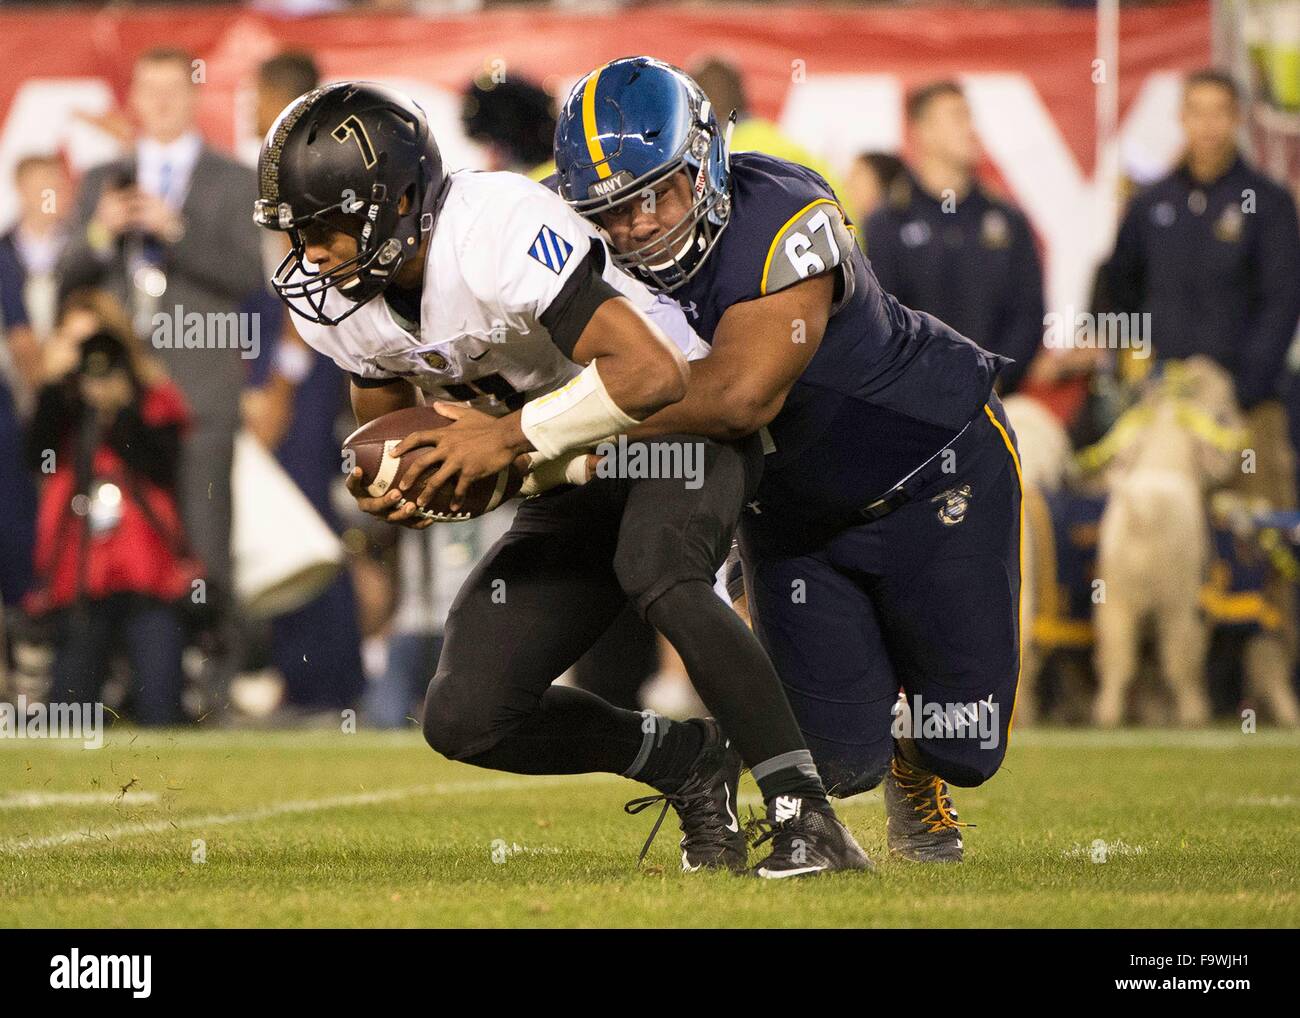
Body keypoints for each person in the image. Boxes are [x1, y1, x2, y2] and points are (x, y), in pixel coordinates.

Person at [254, 81, 869, 877]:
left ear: (397, 199)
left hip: (673, 432)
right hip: (566, 462)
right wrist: (401, 486)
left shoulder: (494, 231)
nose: (306, 255)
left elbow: (650, 374)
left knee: (662, 572)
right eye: (295, 233)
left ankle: (805, 815)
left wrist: (508, 438)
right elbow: (392, 428)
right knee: (465, 716)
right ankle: (684, 759)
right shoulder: (338, 304)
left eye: (321, 228)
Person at [555, 57, 1023, 863]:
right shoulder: (576, 251)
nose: (634, 226)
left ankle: (921, 770)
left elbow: (740, 395)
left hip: (933, 469)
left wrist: (555, 429)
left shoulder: (780, 209)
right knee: (835, 760)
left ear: (701, 162)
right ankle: (873, 769)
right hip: (793, 519)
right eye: (610, 209)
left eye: (653, 195)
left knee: (963, 738)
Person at [57, 46, 267, 654]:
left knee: (204, 537)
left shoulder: (233, 178)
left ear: (195, 95)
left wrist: (177, 231)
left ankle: (213, 681)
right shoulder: (104, 179)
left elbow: (254, 274)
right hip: (118, 393)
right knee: (117, 536)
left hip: (201, 389)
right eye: (149, 91)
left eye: (174, 90)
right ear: (133, 99)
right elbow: (69, 277)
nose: (162, 103)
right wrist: (101, 231)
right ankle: (139, 684)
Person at [24, 321, 192, 724]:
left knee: (161, 709)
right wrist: (54, 385)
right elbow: (35, 454)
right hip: (80, 579)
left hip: (149, 577)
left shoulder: (153, 404)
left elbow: (164, 465)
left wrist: (121, 411)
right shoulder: (63, 408)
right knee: (69, 713)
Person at [865, 81, 1045, 395]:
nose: (970, 129)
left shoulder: (1007, 220)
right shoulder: (887, 222)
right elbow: (881, 319)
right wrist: (930, 387)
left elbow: (1028, 313)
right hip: (914, 403)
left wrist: (996, 378)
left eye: (969, 116)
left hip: (999, 400)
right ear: (924, 130)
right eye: (957, 117)